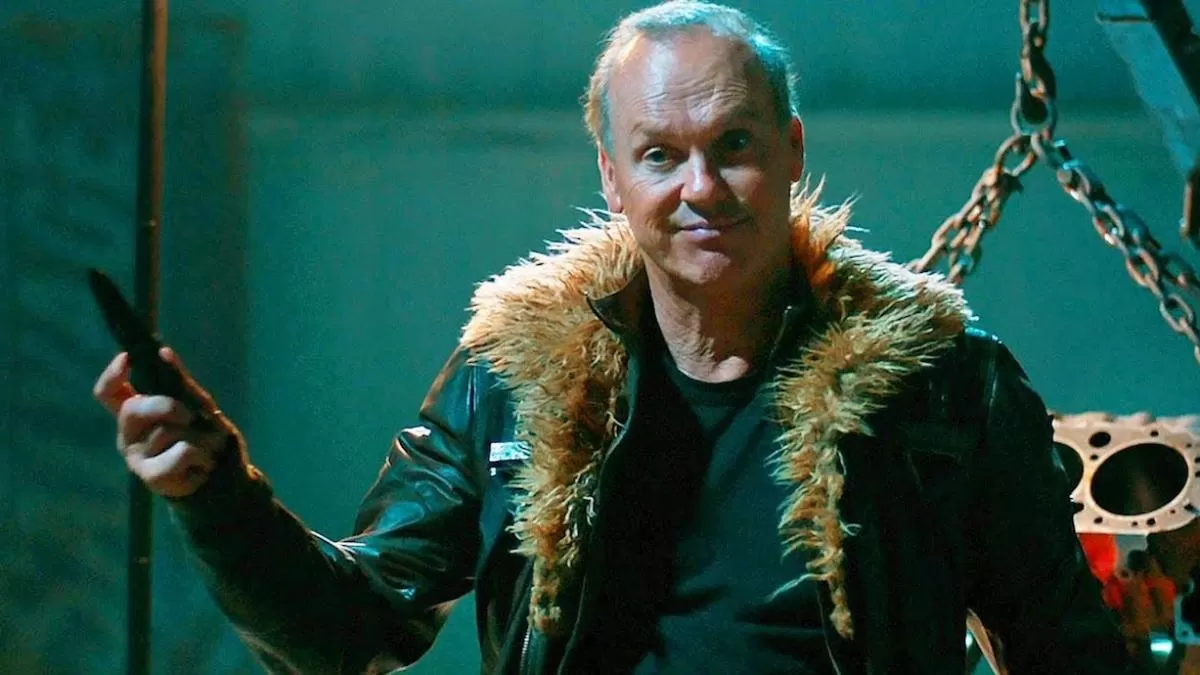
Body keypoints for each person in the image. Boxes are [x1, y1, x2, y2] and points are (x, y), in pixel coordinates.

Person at [93, 2, 1132, 673]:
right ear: (611, 177)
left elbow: (1066, 652)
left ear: (792, 150)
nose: (701, 188)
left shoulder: (943, 387)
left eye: (734, 145)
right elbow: (351, 629)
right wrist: (215, 495)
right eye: (660, 155)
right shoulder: (511, 379)